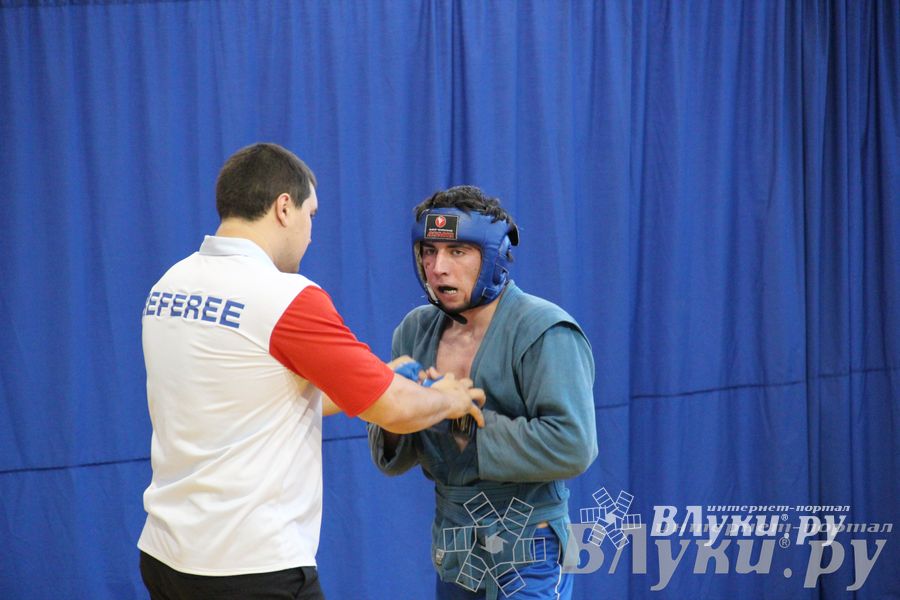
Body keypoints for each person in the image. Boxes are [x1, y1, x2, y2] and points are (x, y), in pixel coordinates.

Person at [137, 143, 485, 600]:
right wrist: (451, 399)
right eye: (311, 215)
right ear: (284, 207)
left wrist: (371, 376)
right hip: (251, 570)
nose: (310, 233)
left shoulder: (169, 285)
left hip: (166, 557)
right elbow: (396, 411)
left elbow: (257, 395)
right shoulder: (284, 297)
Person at [368, 185, 598, 599]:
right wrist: (390, 408)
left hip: (529, 544)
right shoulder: (415, 331)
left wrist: (455, 419)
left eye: (457, 252)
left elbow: (574, 443)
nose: (438, 267)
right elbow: (393, 457)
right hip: (454, 542)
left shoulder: (544, 331)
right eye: (429, 251)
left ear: (493, 256)